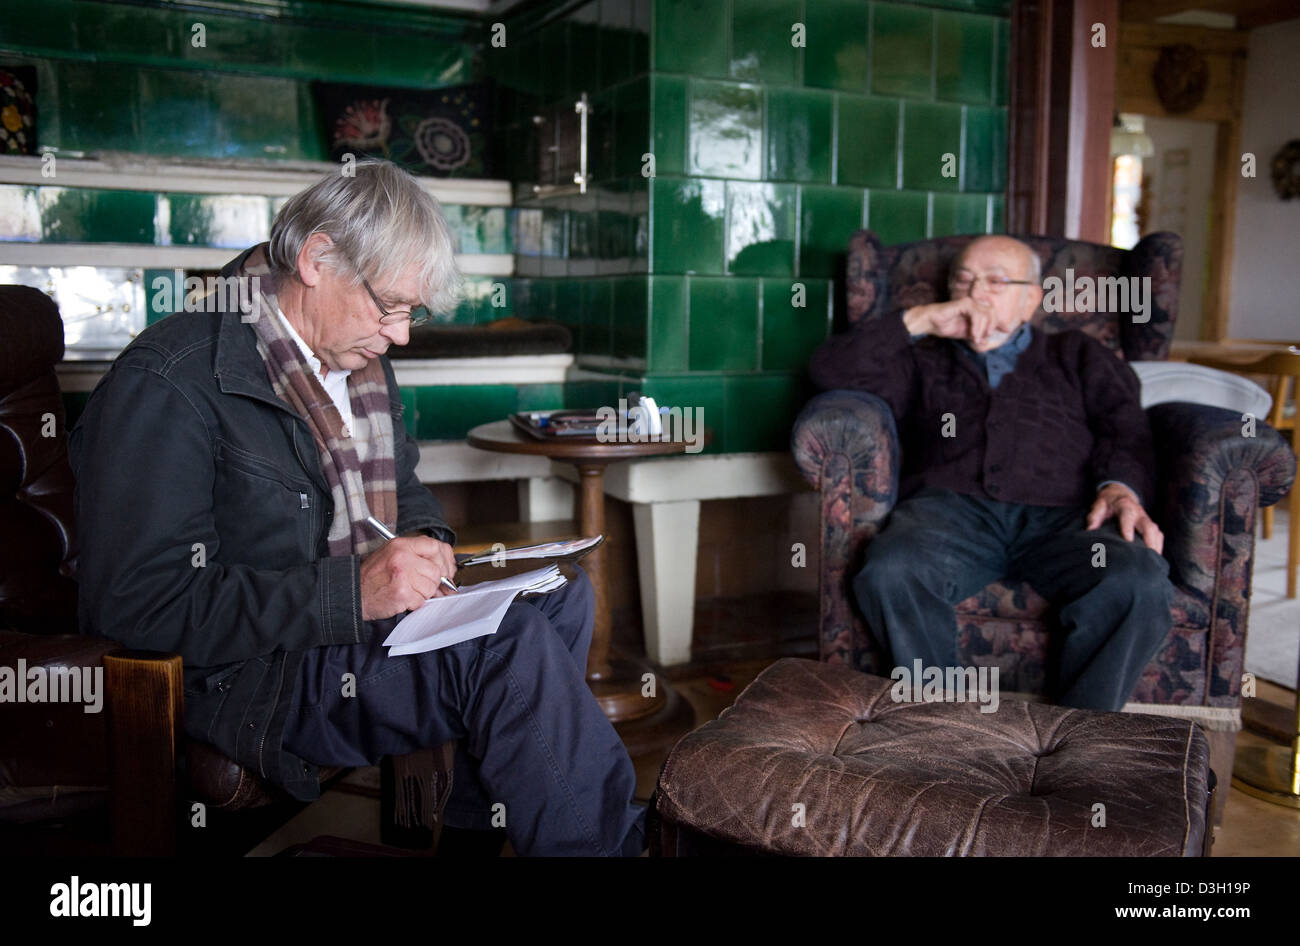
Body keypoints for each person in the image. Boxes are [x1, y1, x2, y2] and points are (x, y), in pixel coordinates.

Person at [69, 159, 645, 856]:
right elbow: (136, 603)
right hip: (257, 673)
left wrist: (424, 545)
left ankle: (478, 835)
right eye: (390, 305)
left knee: (561, 594)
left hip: (346, 632)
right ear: (317, 258)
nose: (400, 334)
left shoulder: (358, 361)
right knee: (507, 645)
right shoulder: (170, 381)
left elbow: (405, 492)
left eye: (412, 312)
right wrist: (353, 591)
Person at [808, 235, 1173, 711]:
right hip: (948, 515)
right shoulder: (923, 356)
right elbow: (825, 372)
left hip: (1067, 517)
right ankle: (946, 728)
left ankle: (1077, 738)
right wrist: (918, 320)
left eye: (996, 281)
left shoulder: (1078, 354)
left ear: (1032, 299)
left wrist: (1120, 488)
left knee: (1135, 580)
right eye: (963, 280)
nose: (975, 292)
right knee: (892, 570)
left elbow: (1125, 428)